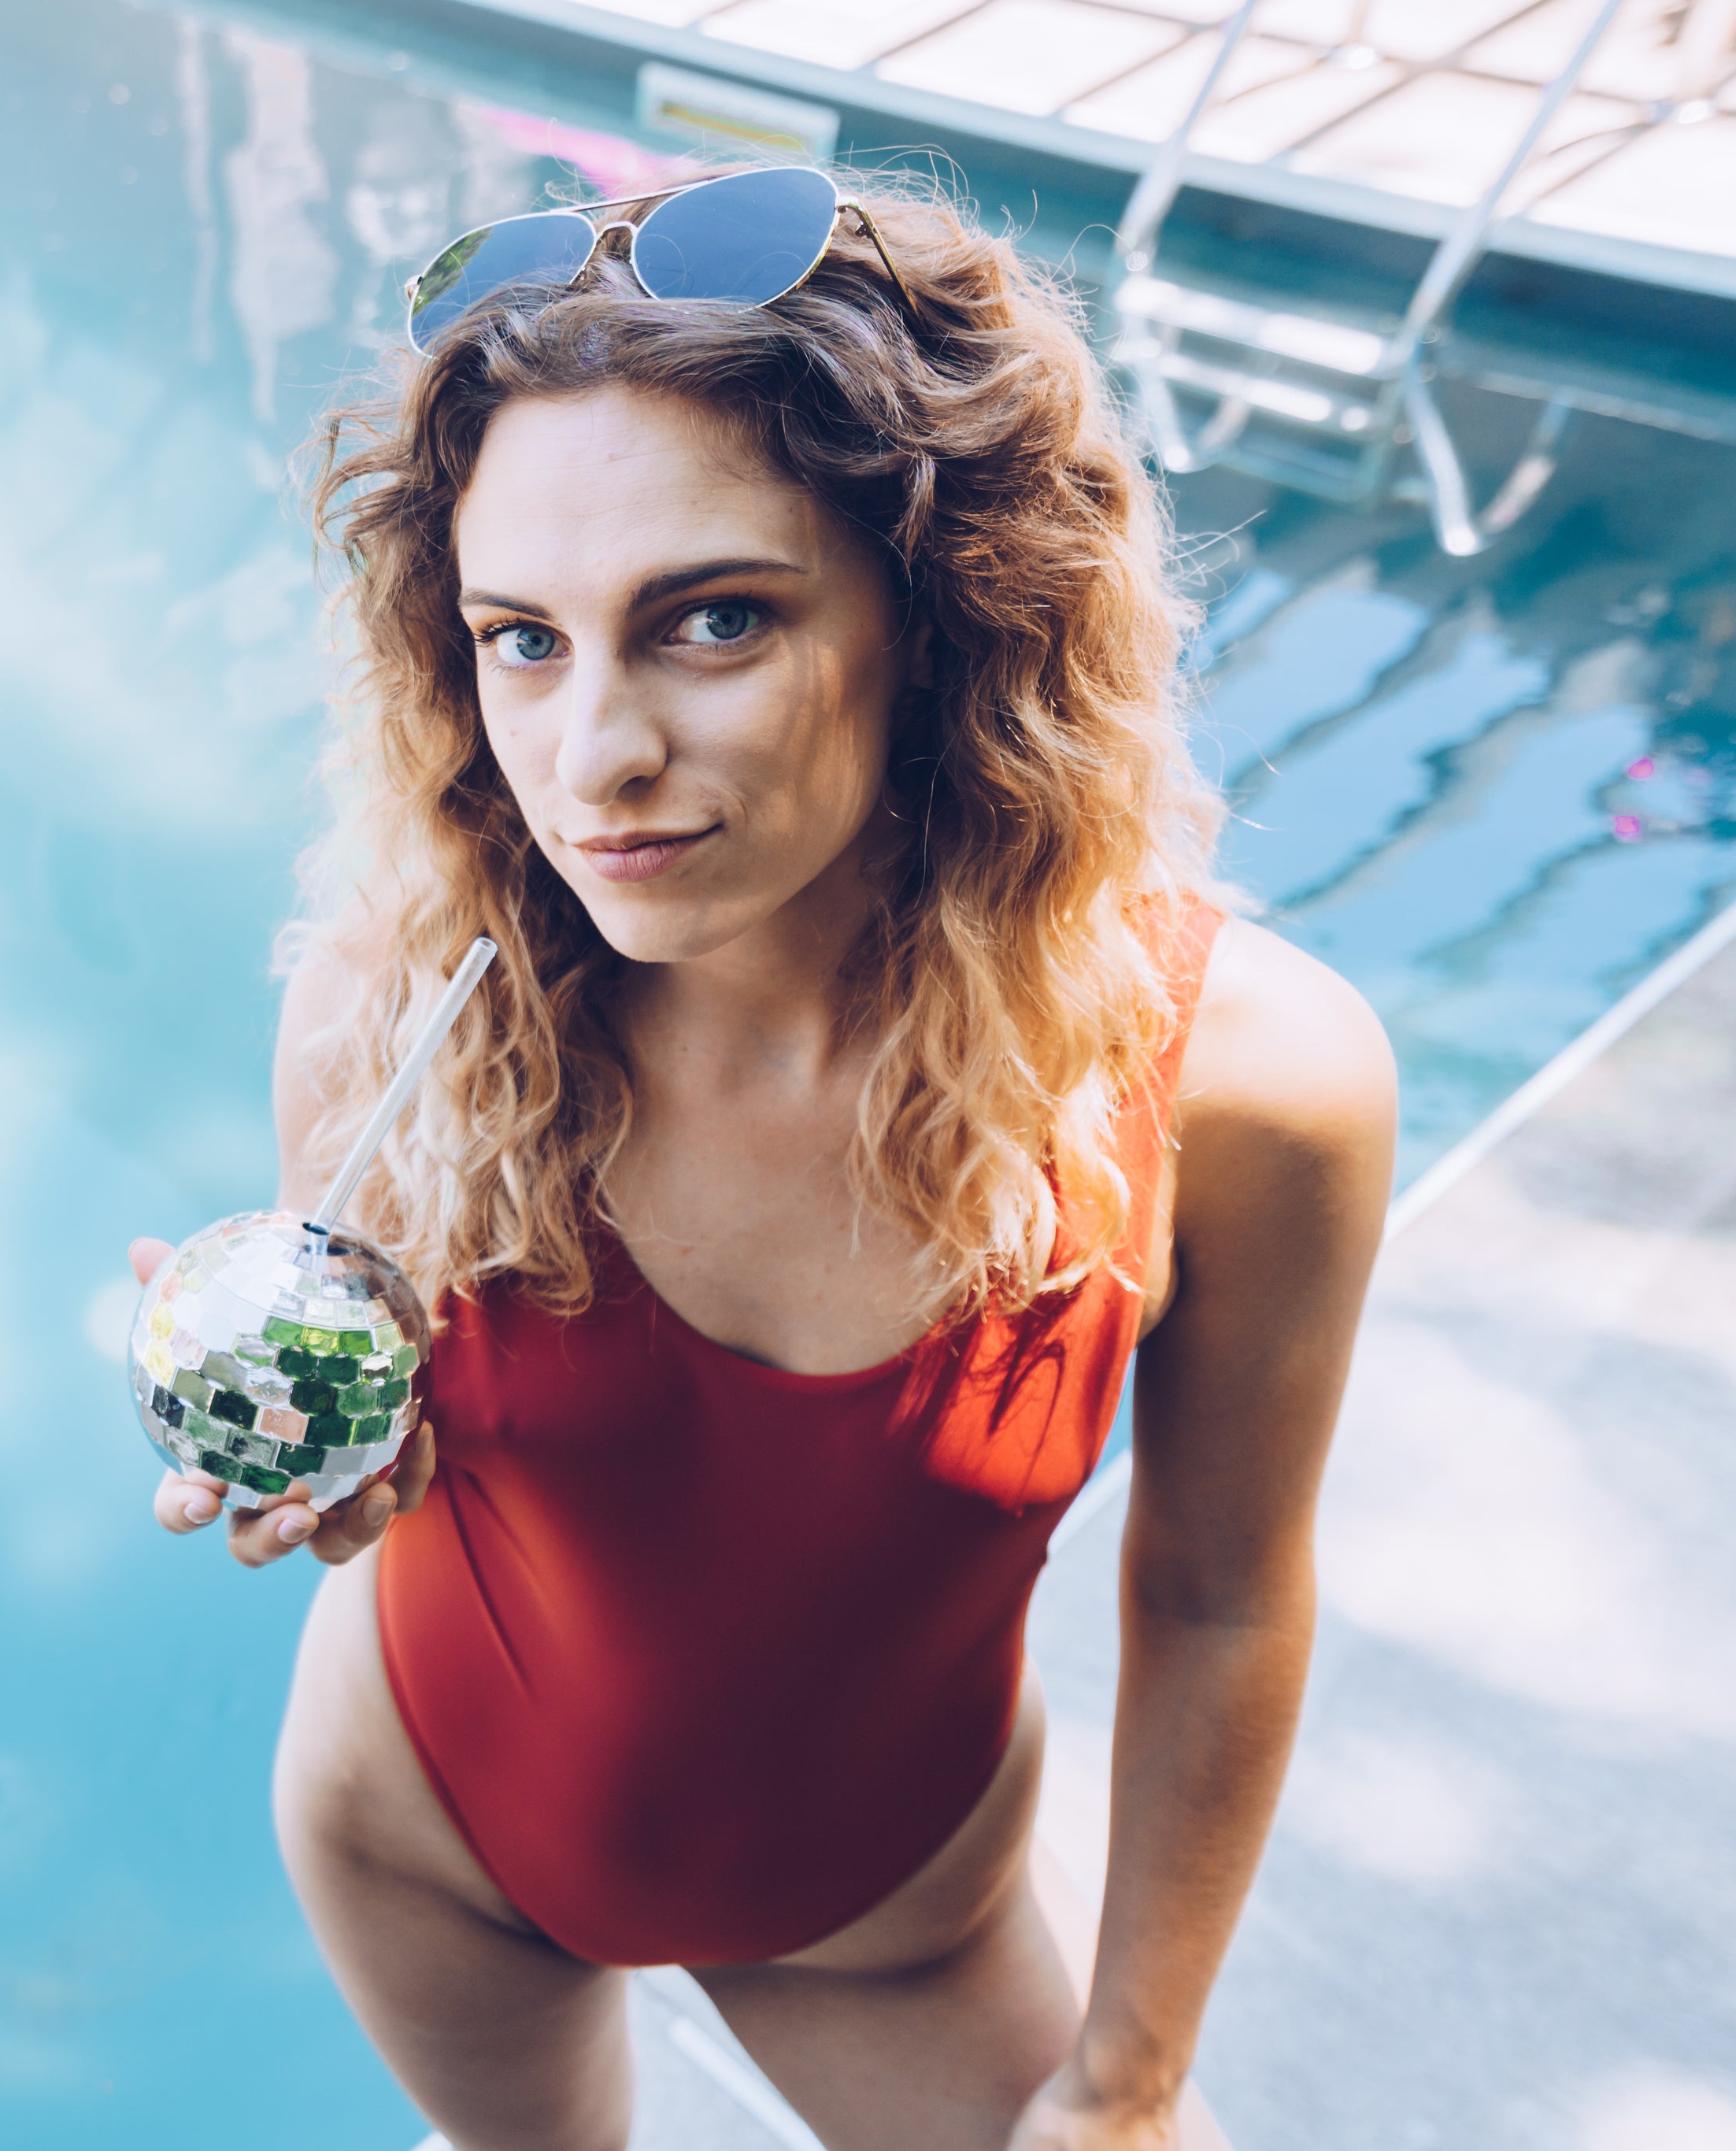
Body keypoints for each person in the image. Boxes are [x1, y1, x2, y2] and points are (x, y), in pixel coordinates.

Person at [130, 169, 1394, 2151]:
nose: (593, 755)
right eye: (519, 639)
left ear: (947, 611)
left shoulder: (1242, 1080)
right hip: (424, 1844)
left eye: (711, 620)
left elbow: (1226, 1594)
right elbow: (418, 1469)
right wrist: (333, 1449)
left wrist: (1130, 2079)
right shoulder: (402, 1014)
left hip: (882, 1919)